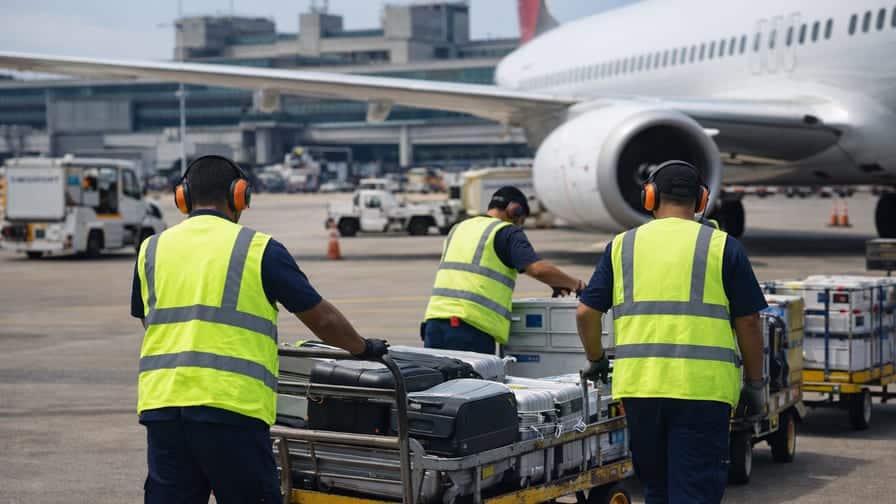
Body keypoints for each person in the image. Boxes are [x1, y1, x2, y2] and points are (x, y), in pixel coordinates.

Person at [130, 155, 388, 503]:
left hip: (163, 410)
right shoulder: (258, 249)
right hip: (230, 410)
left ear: (183, 198)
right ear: (240, 196)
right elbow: (323, 320)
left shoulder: (151, 249)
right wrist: (362, 348)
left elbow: (151, 320)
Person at [576, 161, 767, 504]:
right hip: (702, 391)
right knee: (694, 490)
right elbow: (749, 323)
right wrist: (755, 384)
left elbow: (586, 312)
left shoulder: (623, 246)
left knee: (657, 488)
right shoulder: (722, 246)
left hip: (641, 389)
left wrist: (596, 359)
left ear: (649, 197)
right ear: (701, 200)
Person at [423, 186, 585, 354]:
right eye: (521, 221)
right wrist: (577, 284)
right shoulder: (506, 231)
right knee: (474, 381)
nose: (520, 227)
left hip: (434, 323)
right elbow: (537, 269)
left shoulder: (459, 228)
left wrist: (555, 282)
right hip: (471, 328)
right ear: (514, 209)